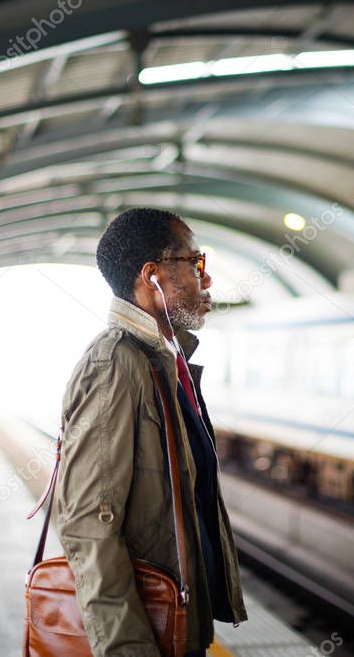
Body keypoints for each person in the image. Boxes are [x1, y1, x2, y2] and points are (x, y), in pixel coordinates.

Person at [54, 207, 247, 656]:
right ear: (152, 274)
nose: (208, 279)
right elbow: (87, 524)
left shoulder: (161, 361)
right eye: (196, 264)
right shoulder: (116, 365)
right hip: (147, 635)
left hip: (175, 619)